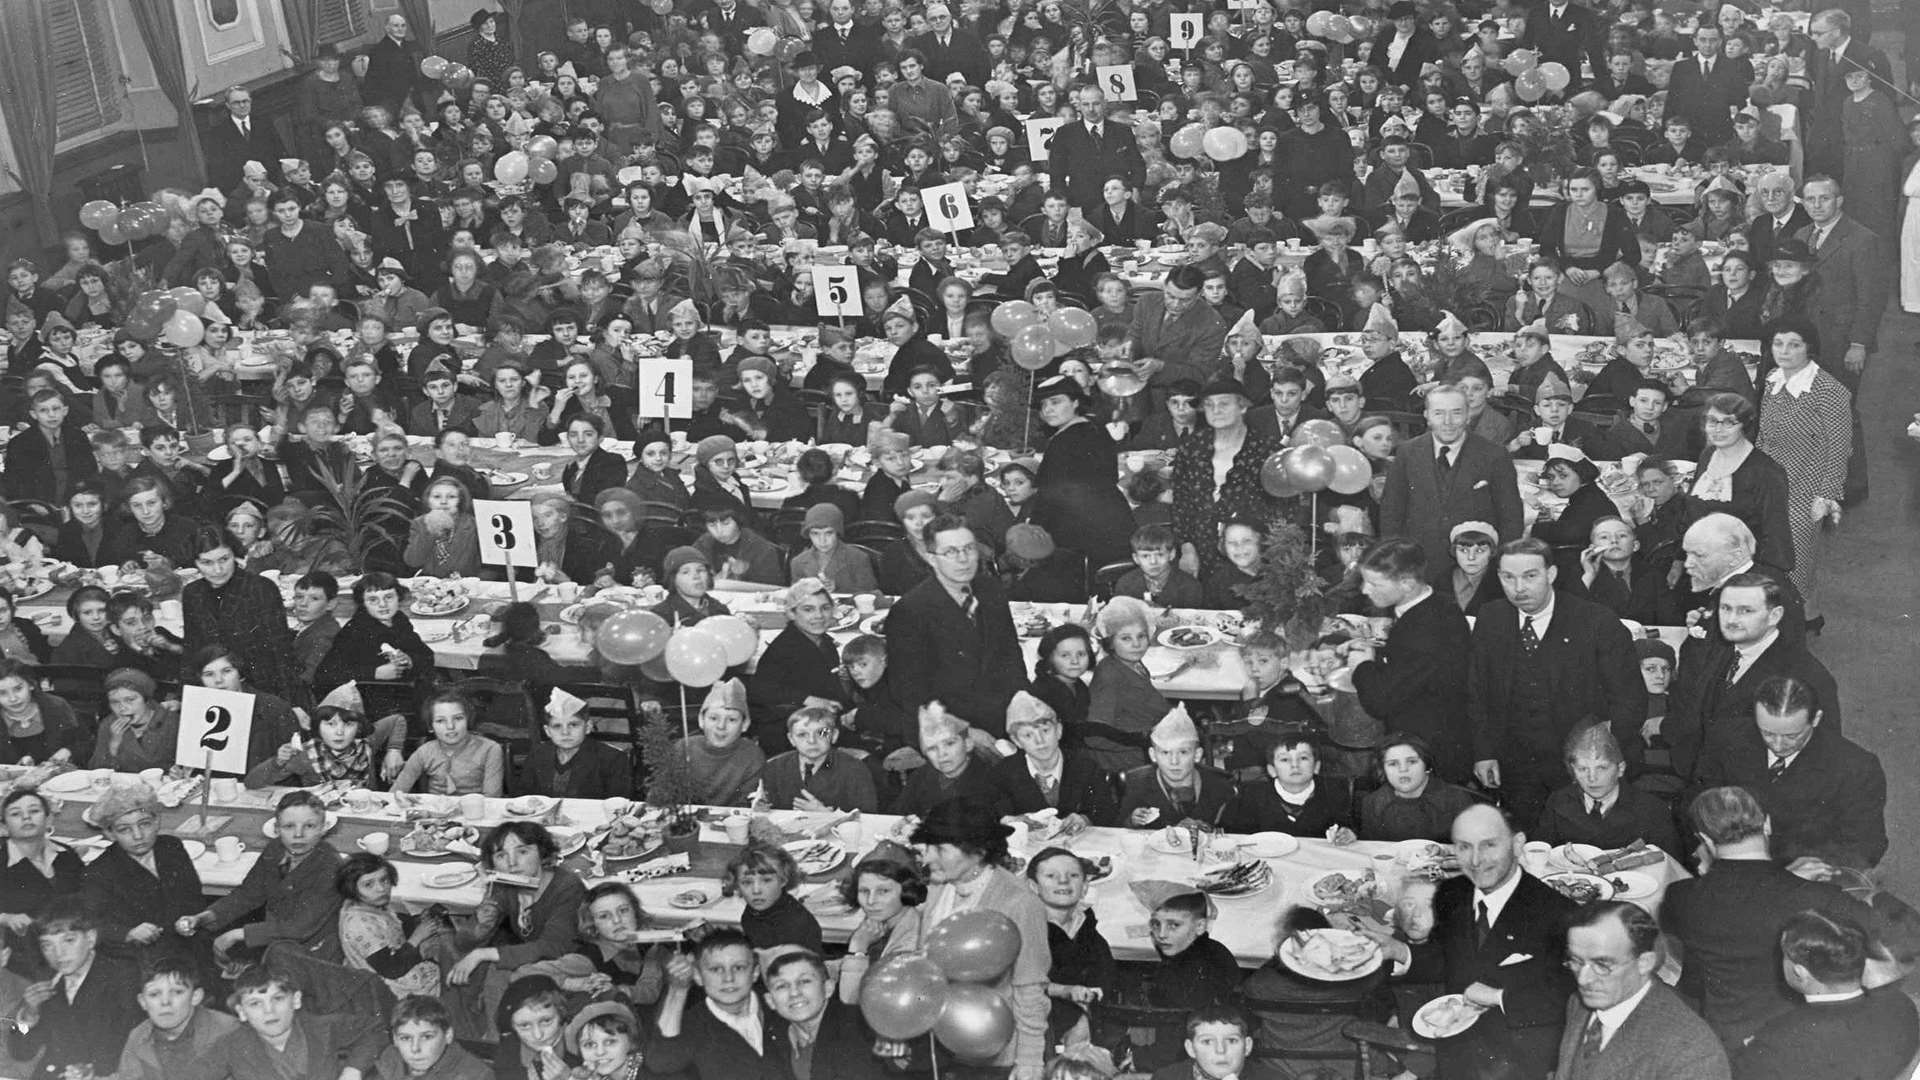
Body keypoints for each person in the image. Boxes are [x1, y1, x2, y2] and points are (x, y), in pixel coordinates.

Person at [1662, 785, 1885, 1049]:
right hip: (1800, 1032)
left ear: (1706, 840)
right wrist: (1790, 880)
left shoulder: (1681, 896)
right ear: (1766, 824)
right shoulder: (1821, 897)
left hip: (1724, 1035)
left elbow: (1739, 906)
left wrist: (1716, 871)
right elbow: (1886, 931)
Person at [1368, 804, 1576, 1080]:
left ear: (1517, 844)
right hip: (1455, 1048)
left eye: (1489, 845)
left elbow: (1569, 995)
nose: (1476, 860)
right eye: (1465, 847)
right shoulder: (1453, 894)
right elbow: (1448, 956)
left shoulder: (1558, 912)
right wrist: (1401, 951)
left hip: (1518, 1058)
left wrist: (1499, 996)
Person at [1467, 538, 1646, 822]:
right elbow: (1477, 691)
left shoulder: (1596, 621)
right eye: (1508, 577)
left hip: (1579, 771)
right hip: (1516, 766)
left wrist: (1597, 761)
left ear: (1551, 574)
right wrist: (1484, 752)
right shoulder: (1492, 617)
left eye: (1530, 576)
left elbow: (1630, 700)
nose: (1519, 588)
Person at [908, 798, 1052, 1080]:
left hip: (995, 1053)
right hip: (942, 1041)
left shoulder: (1019, 903)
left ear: (977, 851)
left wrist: (1030, 1063)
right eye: (927, 847)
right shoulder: (940, 886)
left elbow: (1030, 988)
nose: (927, 859)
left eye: (940, 849)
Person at [1692, 675, 1887, 871]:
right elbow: (1695, 798)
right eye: (1767, 733)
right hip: (1727, 863)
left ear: (1816, 719)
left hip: (1801, 880)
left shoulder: (1856, 766)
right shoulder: (1725, 738)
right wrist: (1701, 843)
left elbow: (1866, 846)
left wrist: (1810, 870)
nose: (1777, 745)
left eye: (1791, 736)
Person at [1732, 909, 1920, 1080]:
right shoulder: (1902, 1004)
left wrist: (1755, 1051)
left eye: (1784, 955)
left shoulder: (1777, 1043)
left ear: (1800, 973)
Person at [1556, 902, 1732, 1080]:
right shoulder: (1580, 1002)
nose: (1583, 979)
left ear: (1644, 963)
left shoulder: (1693, 1057)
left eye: (1602, 965)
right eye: (1576, 961)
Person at [885, 515, 1026, 737]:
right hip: (950, 728)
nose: (964, 559)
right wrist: (965, 732)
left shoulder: (990, 589)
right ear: (931, 558)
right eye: (951, 552)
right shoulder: (910, 611)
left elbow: (1011, 653)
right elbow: (910, 693)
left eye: (969, 548)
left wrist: (1022, 700)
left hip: (1002, 714)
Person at [1349, 538, 1473, 781]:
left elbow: (1380, 701)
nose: (1365, 590)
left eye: (1374, 583)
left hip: (1430, 753)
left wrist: (1361, 665)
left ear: (1406, 584)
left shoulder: (1423, 632)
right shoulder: (1439, 603)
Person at [1794, 174, 1882, 505]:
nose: (1817, 205)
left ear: (1839, 201)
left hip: (1841, 343)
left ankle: (1854, 487)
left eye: (1824, 199)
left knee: (1841, 411)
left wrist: (1858, 344)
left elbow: (1870, 299)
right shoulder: (1803, 235)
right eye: (1811, 200)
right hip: (1808, 344)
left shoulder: (1862, 240)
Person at [1379, 386, 1525, 586]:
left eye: (1456, 413)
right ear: (1427, 416)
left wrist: (1499, 565)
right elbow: (1391, 512)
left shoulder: (1494, 456)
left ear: (1468, 416)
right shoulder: (1407, 453)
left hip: (1476, 570)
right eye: (1439, 413)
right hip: (1419, 566)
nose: (1447, 422)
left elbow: (1511, 517)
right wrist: (1397, 561)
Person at [1754, 320, 1851, 618]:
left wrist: (1827, 495)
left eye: (1794, 344)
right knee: (1769, 555)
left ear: (1809, 348)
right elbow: (1762, 434)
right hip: (1770, 485)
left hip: (1806, 490)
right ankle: (1797, 617)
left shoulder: (1829, 391)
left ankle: (1801, 620)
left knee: (1796, 559)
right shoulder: (1773, 379)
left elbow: (1840, 448)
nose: (1784, 351)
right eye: (1778, 343)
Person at [176, 790, 344, 959]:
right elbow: (248, 893)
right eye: (289, 826)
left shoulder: (330, 866)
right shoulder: (276, 849)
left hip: (313, 950)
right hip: (275, 937)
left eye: (309, 826)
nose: (298, 835)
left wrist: (237, 934)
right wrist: (203, 917)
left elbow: (299, 927)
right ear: (276, 829)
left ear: (323, 828)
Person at [79, 780, 208, 971]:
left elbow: (193, 895)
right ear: (110, 834)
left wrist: (192, 919)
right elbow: (91, 926)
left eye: (144, 824)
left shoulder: (171, 846)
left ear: (157, 821)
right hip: (139, 959)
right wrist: (128, 933)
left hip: (188, 944)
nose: (138, 836)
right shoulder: (99, 872)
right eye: (124, 830)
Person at [182, 961, 386, 1080]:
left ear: (296, 1000)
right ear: (241, 1012)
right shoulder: (231, 1044)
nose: (269, 1011)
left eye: (278, 999)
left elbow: (376, 1029)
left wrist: (354, 1070)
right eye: (255, 1004)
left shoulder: (322, 1027)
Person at [5, 910, 146, 1077]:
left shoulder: (122, 976)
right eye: (47, 945)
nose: (58, 954)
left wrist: (96, 1070)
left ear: (90, 938)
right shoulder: (47, 980)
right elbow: (21, 1053)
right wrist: (28, 1016)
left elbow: (133, 1044)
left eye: (69, 940)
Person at [1168, 377, 1283, 578]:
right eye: (1209, 405)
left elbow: (1284, 510)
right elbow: (1181, 503)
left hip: (1253, 558)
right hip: (1201, 554)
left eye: (1223, 403)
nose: (1216, 410)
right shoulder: (1191, 448)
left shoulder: (1268, 451)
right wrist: (1186, 548)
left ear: (1243, 407)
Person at [649, 930, 787, 1080]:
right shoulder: (693, 1024)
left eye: (738, 967)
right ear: (698, 976)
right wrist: (678, 990)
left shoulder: (779, 1007)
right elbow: (661, 1062)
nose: (728, 978)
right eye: (716, 969)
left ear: (755, 972)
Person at [181, 530, 300, 702]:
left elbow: (280, 649)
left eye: (224, 559)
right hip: (212, 687)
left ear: (234, 555)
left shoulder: (261, 588)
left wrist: (291, 702)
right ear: (195, 563)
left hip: (259, 687)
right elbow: (191, 647)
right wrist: (183, 695)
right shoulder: (192, 593)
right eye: (206, 562)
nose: (217, 569)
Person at [1530, 724, 1684, 854]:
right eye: (1583, 769)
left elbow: (1670, 867)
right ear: (1572, 770)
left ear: (1621, 769)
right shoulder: (1558, 801)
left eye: (1602, 768)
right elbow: (1538, 853)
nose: (1592, 778)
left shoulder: (1652, 809)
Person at [988, 691, 1118, 828]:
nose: (1040, 741)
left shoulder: (1085, 767)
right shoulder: (1003, 774)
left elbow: (1106, 811)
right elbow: (990, 815)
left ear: (1059, 730)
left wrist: (1085, 819)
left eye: (1045, 731)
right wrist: (1007, 821)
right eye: (1028, 735)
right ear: (1017, 741)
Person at [761, 948, 889, 1080]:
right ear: (770, 1001)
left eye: (805, 981)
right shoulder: (771, 1038)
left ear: (828, 989)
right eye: (782, 986)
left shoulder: (862, 1029)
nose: (794, 993)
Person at [111, 959, 244, 1080]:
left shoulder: (228, 1031)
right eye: (154, 994)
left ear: (195, 997)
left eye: (177, 992)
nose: (165, 1002)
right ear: (143, 1002)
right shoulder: (138, 1037)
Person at [336, 853, 445, 999]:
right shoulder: (359, 924)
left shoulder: (372, 904)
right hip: (387, 983)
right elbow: (391, 969)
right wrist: (417, 938)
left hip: (392, 958)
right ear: (351, 889)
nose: (381, 888)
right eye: (368, 884)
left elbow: (390, 924)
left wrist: (417, 922)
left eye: (384, 880)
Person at [313, 571, 434, 698]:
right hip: (367, 698)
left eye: (388, 597)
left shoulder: (399, 620)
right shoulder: (354, 631)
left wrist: (409, 660)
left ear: (399, 597)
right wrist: (374, 673)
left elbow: (426, 654)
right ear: (363, 604)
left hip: (400, 690)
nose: (382, 604)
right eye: (373, 600)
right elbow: (324, 676)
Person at [1118, 705, 1235, 830]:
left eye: (1183, 752)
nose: (1174, 761)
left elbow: (1233, 832)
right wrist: (1131, 821)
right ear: (1153, 755)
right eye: (1165, 752)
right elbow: (1116, 829)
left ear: (1197, 755)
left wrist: (1209, 831)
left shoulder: (1219, 785)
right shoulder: (1138, 784)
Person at [1223, 731, 1357, 838]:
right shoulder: (1250, 796)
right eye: (1285, 759)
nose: (1295, 765)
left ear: (1316, 766)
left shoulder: (1335, 793)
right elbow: (1232, 835)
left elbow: (1352, 826)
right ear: (1272, 770)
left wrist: (1349, 833)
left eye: (1303, 758)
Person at [1356, 733, 1481, 841]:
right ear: (1382, 770)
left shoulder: (1457, 800)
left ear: (1427, 765)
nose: (1403, 769)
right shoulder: (1372, 803)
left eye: (1412, 761)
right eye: (1393, 764)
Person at [761, 706, 879, 812]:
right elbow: (766, 811)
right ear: (791, 739)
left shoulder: (854, 769)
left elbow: (867, 818)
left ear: (834, 735)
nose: (812, 741)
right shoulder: (774, 768)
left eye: (822, 733)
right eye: (802, 735)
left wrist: (827, 815)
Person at [390, 690, 506, 797]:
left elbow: (492, 799)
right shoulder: (424, 751)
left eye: (458, 718)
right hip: (434, 815)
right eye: (440, 721)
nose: (450, 726)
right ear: (431, 726)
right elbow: (396, 792)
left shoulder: (490, 749)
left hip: (475, 813)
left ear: (468, 720)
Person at [515, 692, 629, 799]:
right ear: (547, 731)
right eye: (557, 726)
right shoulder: (538, 754)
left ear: (588, 727)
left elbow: (618, 806)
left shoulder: (613, 759)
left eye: (573, 725)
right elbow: (524, 798)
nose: (565, 732)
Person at [726, 842, 824, 953]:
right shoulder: (754, 911)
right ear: (737, 885)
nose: (756, 890)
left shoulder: (796, 927)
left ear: (783, 880)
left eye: (766, 880)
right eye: (747, 882)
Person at [684, 678, 766, 806]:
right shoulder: (683, 748)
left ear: (744, 724)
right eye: (713, 718)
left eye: (732, 720)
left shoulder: (753, 756)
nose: (721, 726)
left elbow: (747, 805)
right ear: (701, 720)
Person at [373, 995, 491, 1080]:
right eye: (405, 1038)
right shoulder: (389, 1061)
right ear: (395, 1039)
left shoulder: (475, 1075)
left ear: (448, 1035)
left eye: (427, 1037)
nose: (415, 1048)